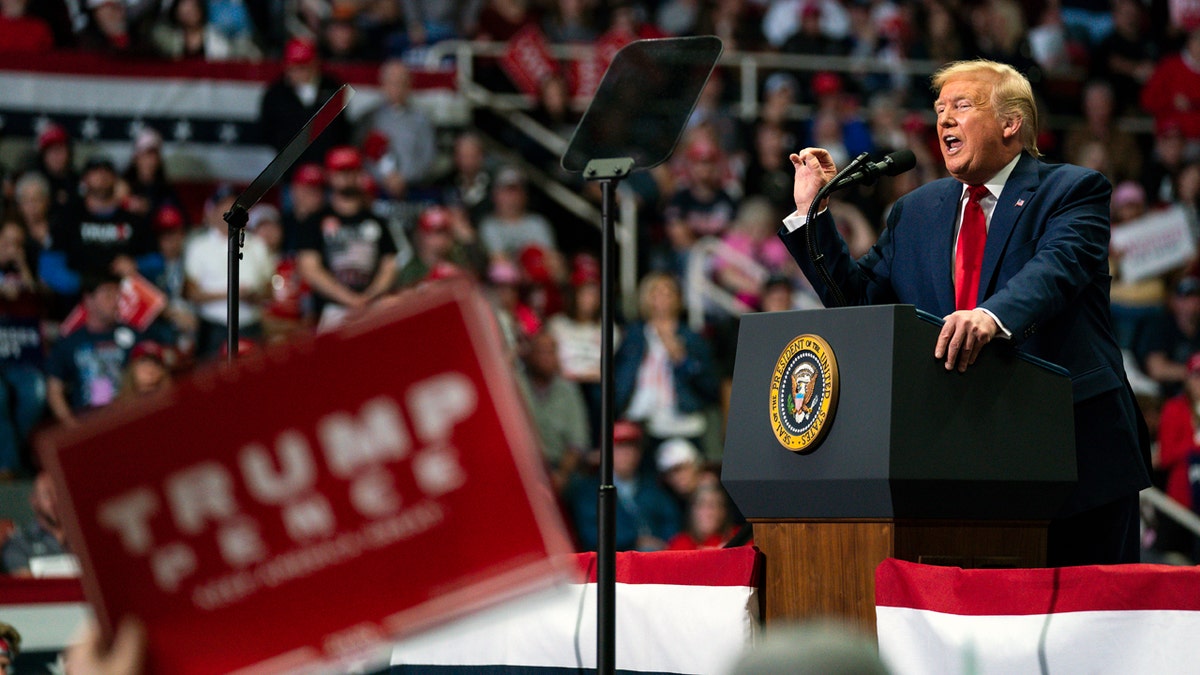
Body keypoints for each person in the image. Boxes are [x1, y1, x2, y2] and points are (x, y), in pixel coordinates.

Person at [781, 59, 1151, 566]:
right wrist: (813, 213)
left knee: (1095, 626)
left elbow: (1055, 270)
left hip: (1073, 456)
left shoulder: (1072, 190)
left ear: (1010, 122)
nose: (944, 120)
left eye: (962, 106)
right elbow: (858, 303)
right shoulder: (918, 210)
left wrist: (992, 316)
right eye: (939, 110)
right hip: (963, 461)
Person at [295, 146, 398, 331]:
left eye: (351, 171)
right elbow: (309, 268)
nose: (346, 178)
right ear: (329, 175)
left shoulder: (378, 222)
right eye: (340, 172)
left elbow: (389, 265)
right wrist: (349, 299)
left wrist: (368, 297)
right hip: (331, 310)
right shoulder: (315, 221)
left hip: (371, 308)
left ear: (360, 174)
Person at [183, 185, 273, 359]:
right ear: (214, 211)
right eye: (224, 205)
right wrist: (233, 293)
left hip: (251, 326)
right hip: (214, 328)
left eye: (234, 206)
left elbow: (269, 291)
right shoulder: (199, 246)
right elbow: (191, 292)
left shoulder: (257, 244)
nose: (230, 210)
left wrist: (252, 295)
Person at [566, 420, 681, 551]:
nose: (627, 454)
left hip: (656, 559)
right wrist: (634, 541)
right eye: (620, 447)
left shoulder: (654, 486)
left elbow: (671, 523)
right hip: (614, 563)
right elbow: (591, 535)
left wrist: (662, 542)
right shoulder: (588, 491)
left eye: (632, 448)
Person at [355, 59, 438, 202]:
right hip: (374, 194)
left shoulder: (422, 120)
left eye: (401, 83)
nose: (396, 88)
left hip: (414, 192)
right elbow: (360, 155)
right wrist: (384, 178)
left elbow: (428, 157)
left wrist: (403, 179)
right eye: (391, 82)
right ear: (383, 85)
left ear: (409, 86)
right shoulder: (369, 119)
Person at [1154, 352, 1200, 559]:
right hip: (1181, 502)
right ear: (1188, 378)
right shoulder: (1175, 408)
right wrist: (1194, 445)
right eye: (1197, 375)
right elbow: (1166, 456)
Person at [1, 472, 71, 576]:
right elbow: (26, 586)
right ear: (34, 501)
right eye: (47, 495)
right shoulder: (19, 544)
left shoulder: (86, 540)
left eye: (59, 494)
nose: (55, 501)